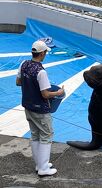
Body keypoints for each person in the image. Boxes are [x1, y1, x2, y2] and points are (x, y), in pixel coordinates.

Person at [16, 39, 65, 176]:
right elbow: (45, 94)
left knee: (35, 134)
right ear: (42, 53)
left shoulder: (24, 64)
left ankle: (40, 164)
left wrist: (30, 85)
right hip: (40, 110)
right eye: (45, 53)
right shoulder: (41, 72)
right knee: (46, 135)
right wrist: (59, 93)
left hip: (28, 106)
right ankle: (43, 168)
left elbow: (18, 82)